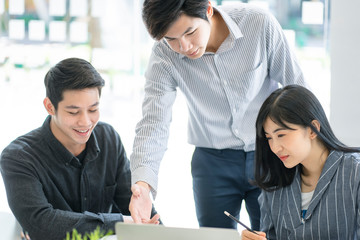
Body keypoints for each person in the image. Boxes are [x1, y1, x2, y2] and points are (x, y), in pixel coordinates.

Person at [129, 0, 307, 230]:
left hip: (270, 153)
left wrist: (312, 158)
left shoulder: (258, 24)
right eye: (170, 39)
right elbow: (153, 123)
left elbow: (299, 90)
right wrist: (143, 187)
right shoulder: (164, 55)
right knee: (213, 237)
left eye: (190, 32)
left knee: (277, 234)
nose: (184, 46)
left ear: (208, 10)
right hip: (212, 162)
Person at [0, 58, 160, 240]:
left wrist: (150, 223)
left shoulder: (108, 139)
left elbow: (139, 213)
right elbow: (42, 224)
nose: (85, 122)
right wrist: (119, 222)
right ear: (50, 107)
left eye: (93, 110)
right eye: (73, 112)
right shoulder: (19, 157)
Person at [241, 85, 360, 240]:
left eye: (281, 135)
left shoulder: (355, 173)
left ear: (312, 129)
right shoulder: (275, 182)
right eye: (269, 138)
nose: (275, 148)